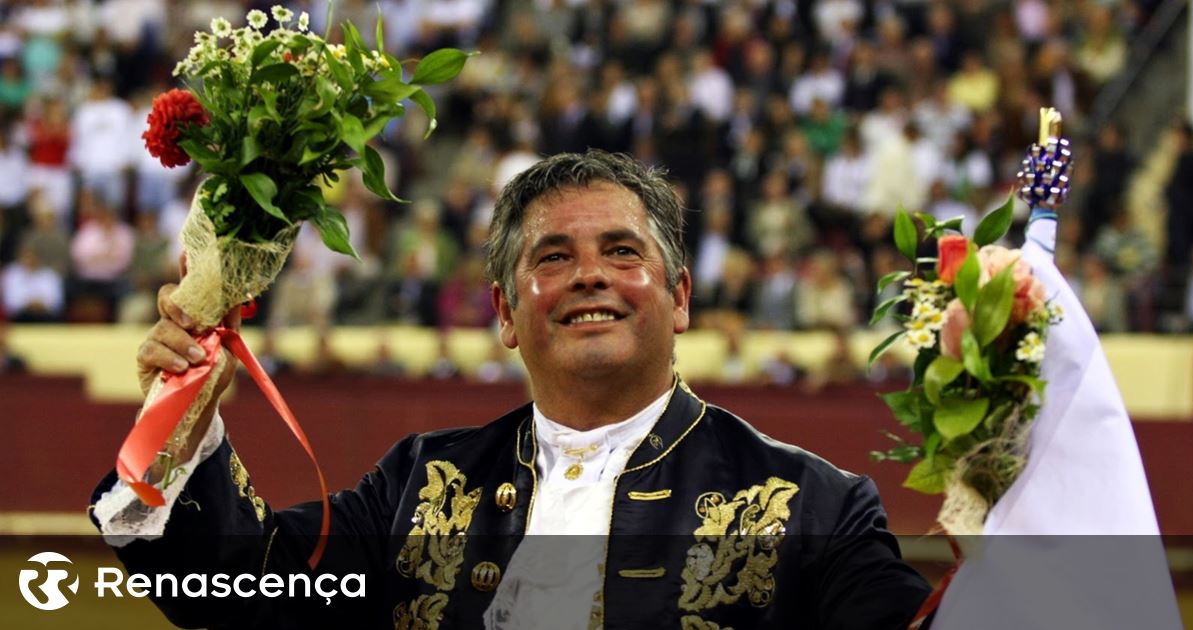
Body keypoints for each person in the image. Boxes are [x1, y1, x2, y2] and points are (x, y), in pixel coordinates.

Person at [91, 151, 929, 629]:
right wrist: (179, 423)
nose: (589, 275)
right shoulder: (419, 486)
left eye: (623, 252)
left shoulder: (814, 502)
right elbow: (234, 586)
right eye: (552, 258)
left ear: (679, 299)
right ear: (503, 313)